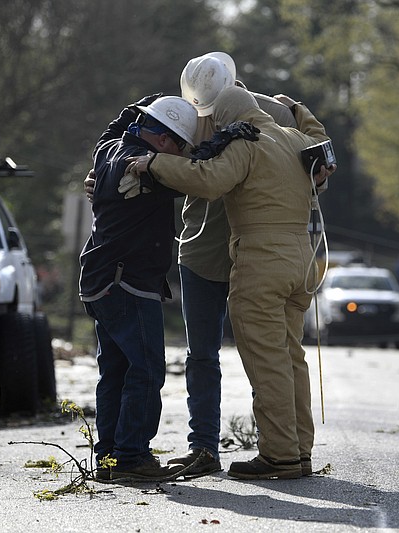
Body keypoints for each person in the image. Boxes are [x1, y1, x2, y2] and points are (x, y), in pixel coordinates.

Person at [84, 52, 334, 479]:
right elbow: (319, 155)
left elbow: (208, 178)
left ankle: (279, 454)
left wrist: (153, 164)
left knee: (259, 357)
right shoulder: (258, 123)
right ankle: (278, 449)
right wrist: (108, 175)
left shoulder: (252, 127)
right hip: (260, 254)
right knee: (272, 355)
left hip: (252, 255)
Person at [79, 94, 199, 482]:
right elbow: (199, 172)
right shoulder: (145, 167)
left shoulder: (109, 149)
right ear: (163, 142)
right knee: (146, 372)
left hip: (102, 280)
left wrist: (140, 106)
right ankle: (132, 458)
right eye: (179, 144)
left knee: (115, 371)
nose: (180, 153)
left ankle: (110, 459)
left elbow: (111, 131)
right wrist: (227, 138)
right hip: (127, 281)